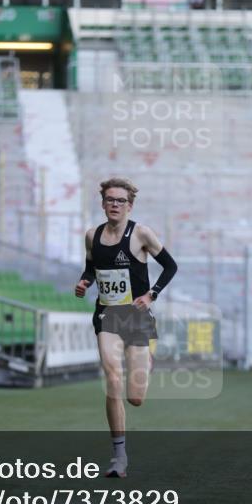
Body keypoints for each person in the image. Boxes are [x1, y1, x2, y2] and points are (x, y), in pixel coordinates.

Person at [74, 178, 178, 478]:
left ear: (129, 206)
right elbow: (91, 267)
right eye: (110, 200)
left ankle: (147, 359)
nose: (115, 205)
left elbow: (170, 266)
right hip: (107, 315)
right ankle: (119, 456)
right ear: (103, 203)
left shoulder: (141, 233)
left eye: (120, 201)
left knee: (135, 398)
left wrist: (152, 294)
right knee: (112, 379)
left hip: (136, 316)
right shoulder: (92, 236)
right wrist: (84, 282)